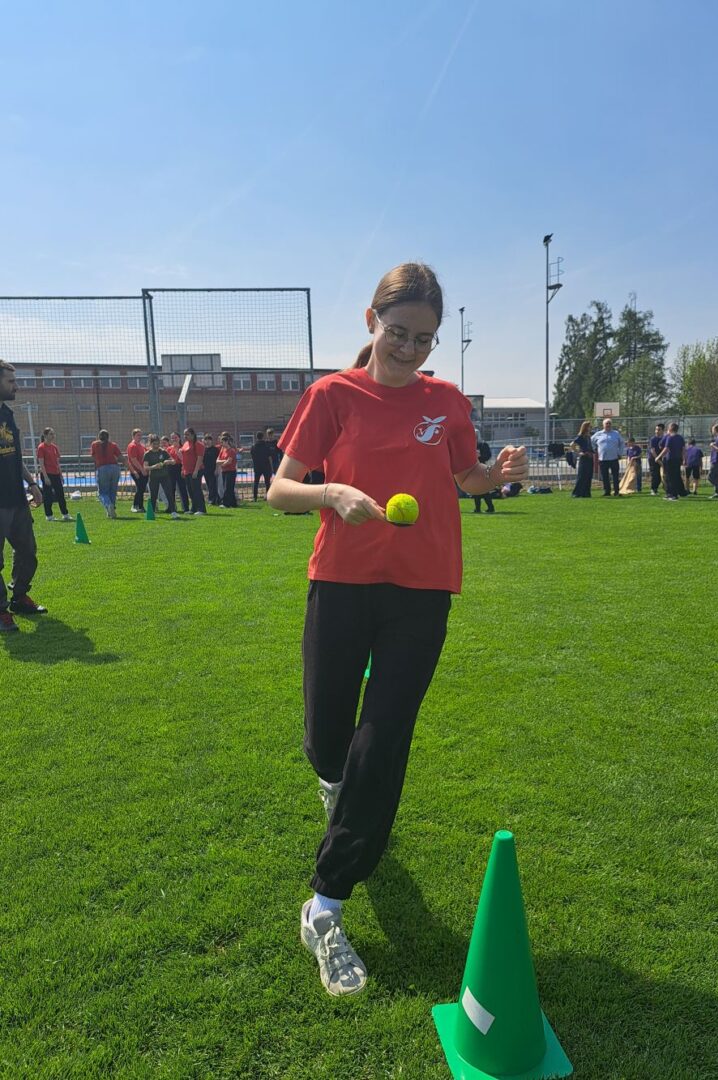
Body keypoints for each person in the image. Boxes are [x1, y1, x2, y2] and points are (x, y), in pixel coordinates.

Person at [266, 263, 528, 997]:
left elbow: (466, 478)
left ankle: (325, 905)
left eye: (424, 338)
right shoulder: (332, 395)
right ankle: (334, 784)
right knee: (328, 740)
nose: (410, 348)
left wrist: (497, 473)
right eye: (399, 332)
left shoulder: (446, 402)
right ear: (371, 322)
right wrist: (331, 493)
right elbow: (278, 490)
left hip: (422, 590)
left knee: (382, 741)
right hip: (341, 584)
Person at [0, 360, 47, 631]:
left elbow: (15, 456)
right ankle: (1, 611)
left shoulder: (7, 414)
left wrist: (32, 484)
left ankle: (19, 597)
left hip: (16, 499)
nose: (16, 386)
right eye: (10, 381)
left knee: (28, 551)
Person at [37, 427, 72, 522]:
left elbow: (57, 462)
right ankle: (49, 515)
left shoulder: (55, 447)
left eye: (53, 434)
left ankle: (65, 514)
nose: (53, 436)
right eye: (51, 434)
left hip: (56, 474)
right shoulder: (41, 447)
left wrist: (61, 475)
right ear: (45, 435)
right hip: (47, 474)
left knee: (60, 494)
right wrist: (46, 477)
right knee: (48, 495)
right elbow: (41, 464)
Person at [89, 429, 124, 518]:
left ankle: (108, 504)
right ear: (108, 437)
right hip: (114, 468)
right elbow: (120, 457)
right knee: (113, 490)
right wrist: (129, 466)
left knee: (102, 492)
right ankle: (111, 509)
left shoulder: (94, 444)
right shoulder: (113, 445)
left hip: (102, 468)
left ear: (99, 437)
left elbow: (93, 456)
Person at [143, 434, 179, 518]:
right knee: (154, 495)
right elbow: (145, 467)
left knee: (169, 494)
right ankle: (152, 513)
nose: (156, 446)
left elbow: (173, 461)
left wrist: (169, 461)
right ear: (150, 444)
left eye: (157, 444)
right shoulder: (147, 454)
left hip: (164, 476)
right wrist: (154, 467)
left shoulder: (163, 452)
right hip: (154, 477)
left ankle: (173, 512)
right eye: (154, 444)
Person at [591, 418, 626, 496]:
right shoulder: (598, 434)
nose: (608, 425)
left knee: (615, 476)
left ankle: (616, 491)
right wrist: (594, 449)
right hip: (603, 459)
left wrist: (620, 453)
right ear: (603, 425)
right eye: (606, 423)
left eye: (609, 423)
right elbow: (591, 441)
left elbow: (622, 443)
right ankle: (607, 491)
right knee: (605, 476)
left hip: (614, 458)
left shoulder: (616, 433)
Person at [655, 422, 687, 500]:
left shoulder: (670, 437)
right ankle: (677, 493)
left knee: (669, 477)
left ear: (670, 428)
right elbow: (683, 449)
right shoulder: (680, 437)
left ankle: (672, 494)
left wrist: (658, 457)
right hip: (677, 459)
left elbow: (666, 448)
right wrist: (684, 458)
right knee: (676, 476)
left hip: (670, 459)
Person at [181, 428, 206, 514]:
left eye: (187, 434)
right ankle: (194, 508)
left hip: (195, 471)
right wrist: (183, 469)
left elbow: (200, 458)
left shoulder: (198, 444)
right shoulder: (185, 444)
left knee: (196, 490)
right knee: (190, 490)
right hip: (187, 471)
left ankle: (201, 509)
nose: (185, 436)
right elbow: (184, 458)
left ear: (192, 435)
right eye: (184, 434)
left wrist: (196, 471)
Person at [472, 430, 495, 513]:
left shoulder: (483, 445)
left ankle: (490, 507)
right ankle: (477, 508)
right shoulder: (470, 445)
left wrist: (480, 456)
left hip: (482, 468)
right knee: (475, 489)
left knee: (484, 489)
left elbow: (488, 456)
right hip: (473, 469)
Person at [167, 433, 190, 513]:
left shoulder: (183, 447)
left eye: (175, 437)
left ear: (179, 438)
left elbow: (184, 459)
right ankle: (172, 507)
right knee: (171, 489)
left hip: (180, 468)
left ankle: (185, 508)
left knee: (182, 488)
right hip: (171, 469)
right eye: (172, 438)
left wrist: (177, 449)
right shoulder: (169, 448)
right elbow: (167, 458)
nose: (174, 439)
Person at [570, 420, 594, 498]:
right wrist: (579, 453)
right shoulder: (581, 436)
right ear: (585, 427)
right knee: (582, 475)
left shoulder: (588, 436)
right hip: (584, 458)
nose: (591, 428)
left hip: (590, 457)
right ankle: (577, 493)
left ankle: (586, 493)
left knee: (588, 475)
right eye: (590, 426)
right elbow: (572, 445)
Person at [126, 429, 148, 512]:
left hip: (143, 471)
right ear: (133, 436)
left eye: (140, 435)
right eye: (138, 435)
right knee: (140, 488)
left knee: (142, 489)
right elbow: (133, 460)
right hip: (136, 471)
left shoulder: (141, 446)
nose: (140, 437)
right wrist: (141, 470)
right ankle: (135, 505)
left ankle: (140, 506)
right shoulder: (132, 446)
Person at [216, 432, 239, 507]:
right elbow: (217, 461)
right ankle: (233, 503)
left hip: (231, 471)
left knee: (228, 488)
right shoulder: (222, 450)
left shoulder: (231, 451)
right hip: (224, 471)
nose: (221, 444)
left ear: (226, 442)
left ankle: (226, 503)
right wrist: (224, 461)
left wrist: (222, 464)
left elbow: (229, 461)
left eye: (222, 442)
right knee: (228, 487)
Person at [250, 430, 273, 500]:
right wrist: (271, 467)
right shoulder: (266, 446)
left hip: (257, 466)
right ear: (263, 437)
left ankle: (255, 497)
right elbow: (269, 457)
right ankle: (267, 496)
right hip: (266, 466)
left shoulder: (253, 446)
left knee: (256, 482)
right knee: (267, 483)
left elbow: (252, 456)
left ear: (256, 437)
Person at [202, 434, 221, 506]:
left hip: (213, 470)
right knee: (209, 485)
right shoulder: (203, 450)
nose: (207, 441)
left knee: (213, 485)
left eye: (209, 440)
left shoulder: (215, 450)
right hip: (206, 470)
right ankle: (213, 499)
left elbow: (218, 460)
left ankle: (212, 500)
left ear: (211, 441)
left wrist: (217, 469)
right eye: (206, 440)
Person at [648, 423, 665, 495]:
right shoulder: (653, 439)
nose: (657, 431)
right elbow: (652, 450)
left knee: (660, 475)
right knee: (655, 474)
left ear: (662, 430)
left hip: (660, 459)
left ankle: (657, 488)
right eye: (656, 429)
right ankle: (653, 489)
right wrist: (658, 460)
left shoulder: (664, 439)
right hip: (653, 459)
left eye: (659, 430)